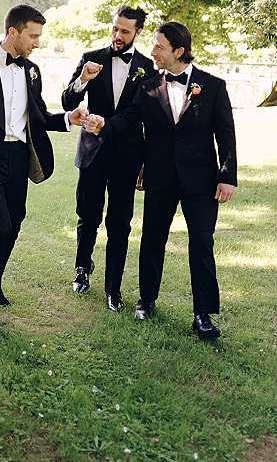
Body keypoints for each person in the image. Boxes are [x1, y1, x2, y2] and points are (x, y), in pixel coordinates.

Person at [87, 22, 237, 339]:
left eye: (159, 47)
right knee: (152, 240)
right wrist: (104, 124)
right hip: (158, 176)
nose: (152, 52)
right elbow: (129, 120)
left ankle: (203, 314)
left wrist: (227, 177)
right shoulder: (148, 87)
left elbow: (226, 136)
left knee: (202, 244)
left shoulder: (212, 87)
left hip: (201, 181)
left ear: (178, 51)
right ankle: (147, 300)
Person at [0, 4, 89, 332]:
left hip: (18, 160)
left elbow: (38, 115)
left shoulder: (32, 71)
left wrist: (69, 118)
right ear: (13, 32)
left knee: (14, 223)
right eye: (33, 36)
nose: (37, 42)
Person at [61, 6, 156, 311]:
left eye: (125, 31)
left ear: (138, 32)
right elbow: (68, 100)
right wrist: (82, 81)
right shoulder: (92, 58)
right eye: (115, 28)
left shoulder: (147, 68)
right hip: (92, 153)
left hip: (127, 156)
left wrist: (144, 161)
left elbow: (141, 113)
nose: (117, 35)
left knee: (120, 223)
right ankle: (81, 269)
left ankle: (113, 289)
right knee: (87, 216)